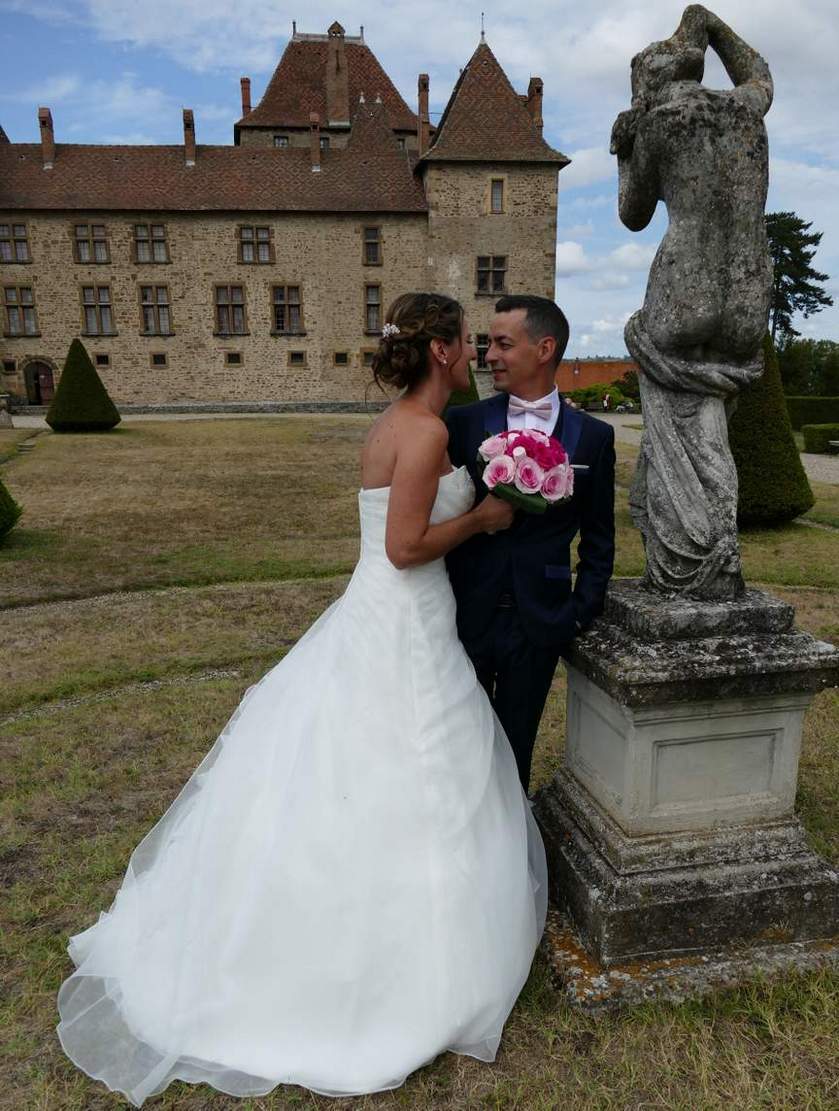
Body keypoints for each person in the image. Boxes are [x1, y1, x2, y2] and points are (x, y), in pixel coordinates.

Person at [56, 292, 548, 1107]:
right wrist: (487, 516)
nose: (473, 355)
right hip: (402, 612)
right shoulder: (424, 433)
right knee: (413, 762)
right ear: (438, 352)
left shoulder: (392, 423)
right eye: (464, 343)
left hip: (386, 614)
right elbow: (401, 547)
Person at [445, 295, 616, 793]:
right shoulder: (465, 424)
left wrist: (579, 611)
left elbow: (599, 538)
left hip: (539, 621)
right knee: (460, 747)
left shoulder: (593, 438)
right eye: (488, 343)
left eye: (502, 343)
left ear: (544, 349)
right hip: (463, 613)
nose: (488, 355)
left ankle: (511, 859)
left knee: (516, 746)